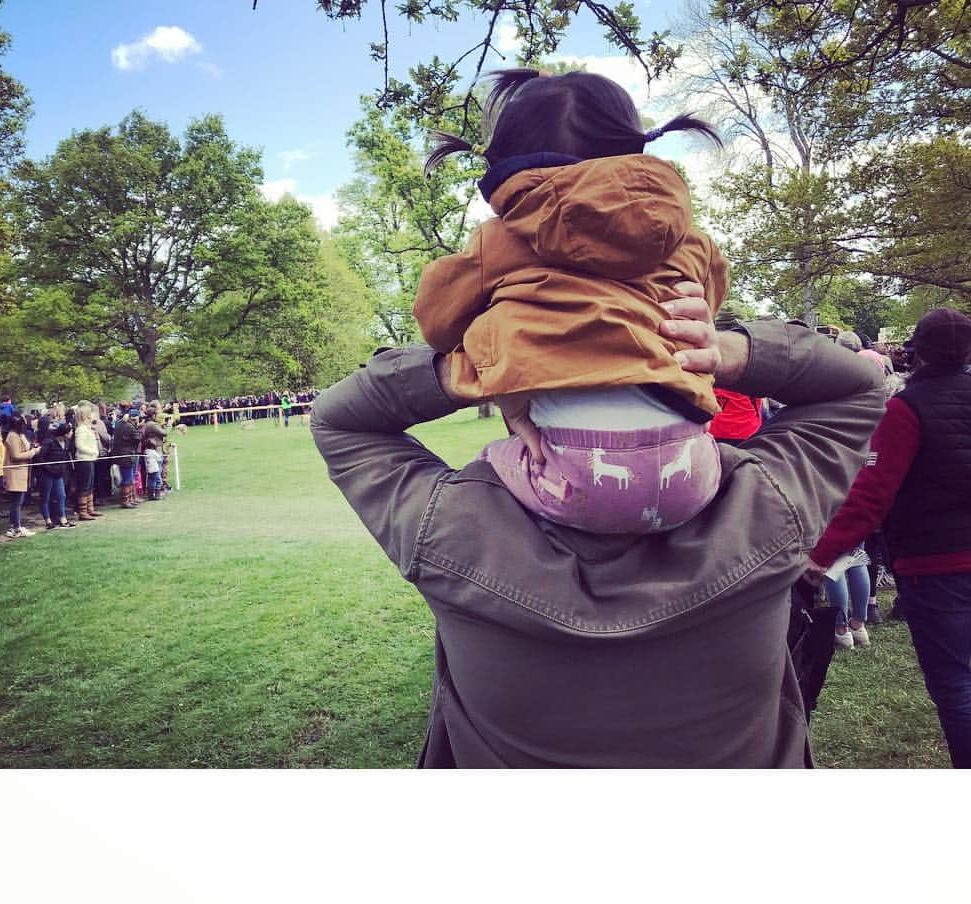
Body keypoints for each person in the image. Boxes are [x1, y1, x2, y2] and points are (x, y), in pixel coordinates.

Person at [312, 283, 886, 768]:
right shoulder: (764, 507)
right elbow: (858, 385)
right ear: (694, 404)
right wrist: (727, 349)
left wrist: (480, 363)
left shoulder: (451, 528)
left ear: (531, 415)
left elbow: (341, 419)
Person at [413, 69, 728, 535]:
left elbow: (436, 321)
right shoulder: (690, 241)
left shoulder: (498, 242)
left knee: (485, 465)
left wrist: (502, 332)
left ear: (510, 167)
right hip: (693, 465)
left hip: (573, 469)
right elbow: (706, 310)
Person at [806, 308, 971, 768]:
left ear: (916, 350)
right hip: (942, 563)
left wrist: (820, 556)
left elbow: (871, 496)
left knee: (956, 685)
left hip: (935, 567)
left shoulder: (907, 409)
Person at [2, 414, 39, 539]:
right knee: (16, 502)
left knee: (18, 502)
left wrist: (31, 448)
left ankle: (15, 526)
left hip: (21, 472)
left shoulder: (19, 435)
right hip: (14, 472)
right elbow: (16, 455)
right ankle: (16, 528)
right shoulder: (12, 436)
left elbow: (24, 448)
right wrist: (32, 452)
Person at [38, 422, 75, 530]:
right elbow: (40, 458)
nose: (72, 433)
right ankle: (48, 521)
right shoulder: (49, 442)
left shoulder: (67, 442)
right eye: (70, 431)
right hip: (47, 474)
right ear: (65, 433)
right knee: (45, 497)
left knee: (61, 496)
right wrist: (49, 468)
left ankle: (63, 519)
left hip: (59, 474)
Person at [72, 401, 102, 521]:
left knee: (90, 485)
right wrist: (92, 452)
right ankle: (82, 511)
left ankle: (90, 508)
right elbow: (80, 445)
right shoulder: (81, 429)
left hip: (90, 459)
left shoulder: (88, 428)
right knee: (84, 485)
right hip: (84, 460)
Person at [111, 407, 143, 509]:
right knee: (128, 478)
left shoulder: (119, 423)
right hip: (127, 454)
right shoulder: (129, 426)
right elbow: (137, 438)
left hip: (122, 453)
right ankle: (126, 500)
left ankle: (129, 498)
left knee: (128, 477)